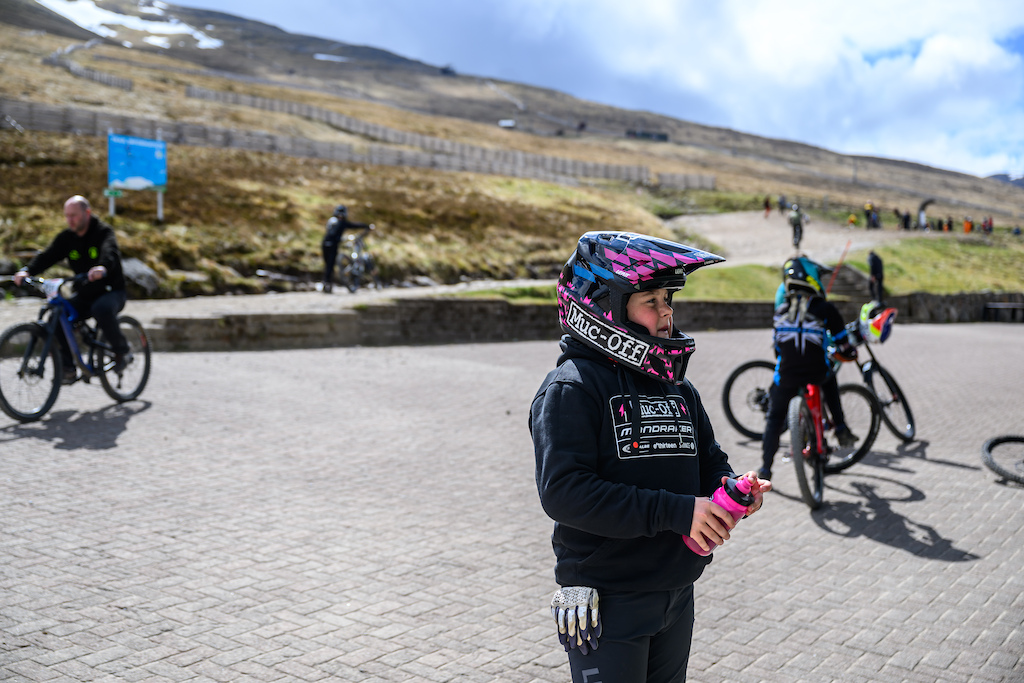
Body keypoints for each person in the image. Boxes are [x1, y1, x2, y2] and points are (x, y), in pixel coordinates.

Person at [530, 231, 770, 683]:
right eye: (650, 301)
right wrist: (679, 511)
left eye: (668, 299)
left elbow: (708, 460)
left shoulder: (678, 387)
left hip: (675, 589)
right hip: (607, 598)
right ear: (603, 308)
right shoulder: (573, 387)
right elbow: (564, 493)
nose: (666, 313)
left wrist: (732, 487)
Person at [759, 256, 858, 480]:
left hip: (786, 377)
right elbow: (844, 344)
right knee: (829, 377)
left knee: (774, 419)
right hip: (816, 373)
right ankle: (841, 428)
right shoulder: (826, 309)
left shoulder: (781, 310)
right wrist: (848, 351)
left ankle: (765, 468)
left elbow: (778, 350)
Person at [13, 195, 130, 384]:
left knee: (101, 309)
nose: (70, 220)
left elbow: (110, 252)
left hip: (111, 291)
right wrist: (27, 271)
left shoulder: (103, 232)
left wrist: (102, 267)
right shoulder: (67, 238)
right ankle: (68, 368)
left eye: (74, 215)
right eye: (67, 216)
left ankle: (121, 351)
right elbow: (48, 256)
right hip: (84, 293)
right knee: (56, 318)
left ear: (87, 213)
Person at [320, 204, 368, 292]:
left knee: (328, 265)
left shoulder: (331, 220)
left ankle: (327, 283)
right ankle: (327, 283)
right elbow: (354, 225)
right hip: (332, 245)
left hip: (325, 244)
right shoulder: (342, 222)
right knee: (330, 265)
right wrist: (366, 226)